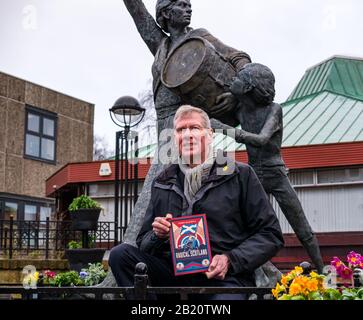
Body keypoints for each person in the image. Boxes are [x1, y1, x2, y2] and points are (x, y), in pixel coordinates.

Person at [109, 105, 284, 300]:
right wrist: (157, 235)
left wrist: (230, 259)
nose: (187, 134)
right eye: (181, 130)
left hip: (224, 278)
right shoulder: (163, 181)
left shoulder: (239, 174)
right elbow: (143, 243)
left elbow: (270, 234)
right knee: (120, 255)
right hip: (173, 273)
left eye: (194, 128)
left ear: (209, 134)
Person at [122, 0, 251, 245]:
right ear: (166, 13)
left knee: (151, 195)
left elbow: (239, 58)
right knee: (169, 198)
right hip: (164, 128)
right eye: (182, 5)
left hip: (181, 129)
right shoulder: (161, 45)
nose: (189, 9)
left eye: (189, 5)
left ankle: (126, 267)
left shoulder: (199, 37)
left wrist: (236, 92)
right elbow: (137, 11)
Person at [210, 63, 324, 273]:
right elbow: (217, 108)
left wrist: (223, 129)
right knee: (247, 227)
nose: (232, 82)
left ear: (248, 87)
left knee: (301, 226)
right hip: (254, 175)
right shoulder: (240, 108)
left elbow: (261, 140)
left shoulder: (274, 109)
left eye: (238, 80)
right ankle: (254, 276)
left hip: (275, 173)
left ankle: (323, 272)